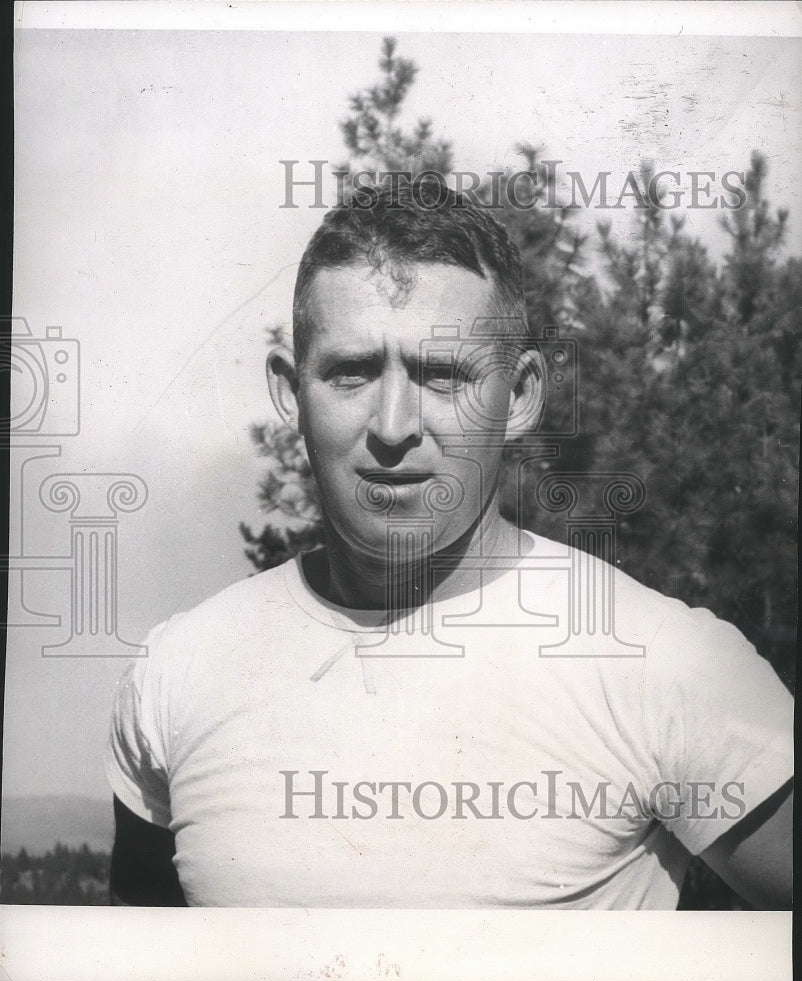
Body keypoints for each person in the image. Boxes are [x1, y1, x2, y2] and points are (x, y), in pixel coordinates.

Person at [105, 178, 793, 908]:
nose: (395, 426)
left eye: (442, 376)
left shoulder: (665, 663)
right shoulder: (176, 672)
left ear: (522, 396)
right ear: (289, 391)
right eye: (352, 372)